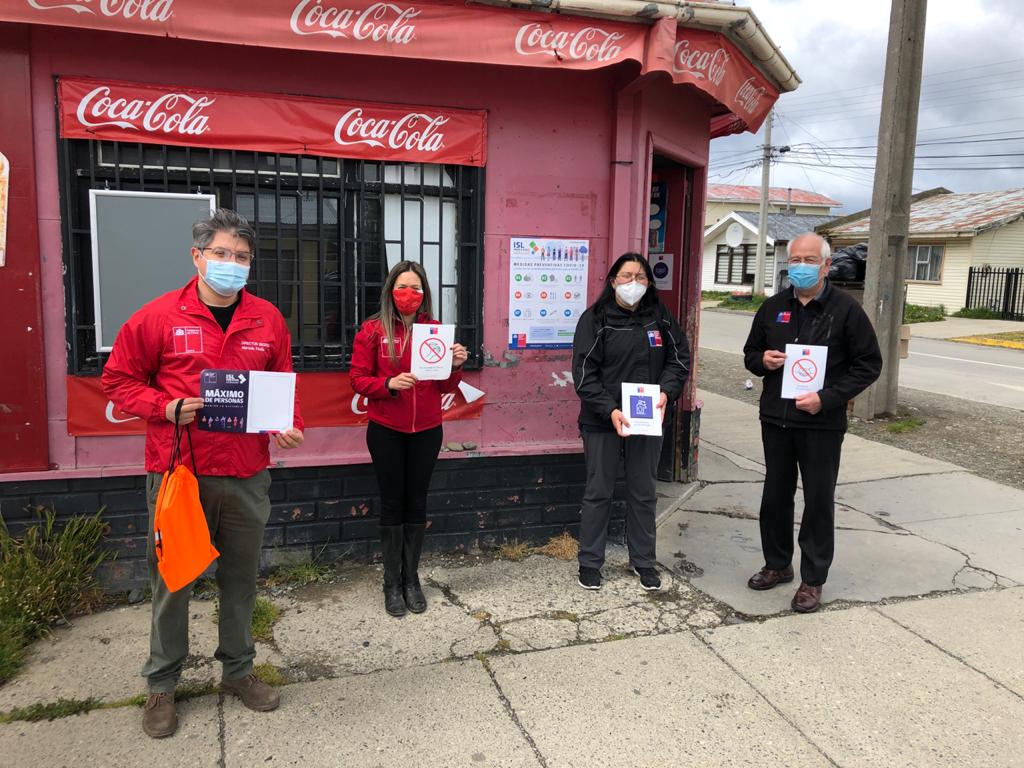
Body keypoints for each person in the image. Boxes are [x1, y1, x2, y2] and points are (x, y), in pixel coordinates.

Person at [103, 208, 304, 738]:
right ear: (197, 257)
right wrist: (164, 406)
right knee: (173, 581)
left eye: (241, 256)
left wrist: (290, 425)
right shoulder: (157, 317)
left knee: (240, 579)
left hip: (245, 473)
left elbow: (283, 383)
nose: (231, 263)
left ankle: (237, 670)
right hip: (180, 475)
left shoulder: (267, 319)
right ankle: (162, 683)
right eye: (221, 253)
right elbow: (117, 380)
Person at [742, 232, 882, 613]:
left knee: (818, 499)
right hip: (776, 419)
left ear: (826, 265)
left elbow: (869, 364)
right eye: (795, 260)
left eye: (809, 260)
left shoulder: (846, 310)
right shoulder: (773, 308)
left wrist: (828, 398)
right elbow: (750, 353)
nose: (801, 266)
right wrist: (762, 361)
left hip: (821, 424)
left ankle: (813, 578)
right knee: (775, 496)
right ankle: (777, 564)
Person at [350, 261, 468, 617]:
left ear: (424, 293)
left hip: (427, 430)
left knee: (417, 502)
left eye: (416, 288)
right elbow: (357, 379)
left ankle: (411, 579)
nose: (409, 294)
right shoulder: (373, 330)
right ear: (390, 290)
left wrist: (456, 365)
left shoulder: (434, 331)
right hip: (386, 429)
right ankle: (391, 583)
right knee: (392, 503)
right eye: (402, 287)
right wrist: (388, 384)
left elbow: (445, 386)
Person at [571, 253, 689, 592]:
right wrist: (609, 409)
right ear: (613, 281)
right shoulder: (595, 319)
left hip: (647, 419)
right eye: (626, 276)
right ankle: (590, 562)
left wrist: (666, 392)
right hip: (603, 420)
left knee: (644, 492)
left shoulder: (660, 317)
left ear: (649, 282)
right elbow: (584, 373)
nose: (632, 283)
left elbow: (679, 359)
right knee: (599, 491)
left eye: (640, 276)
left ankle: (643, 561)